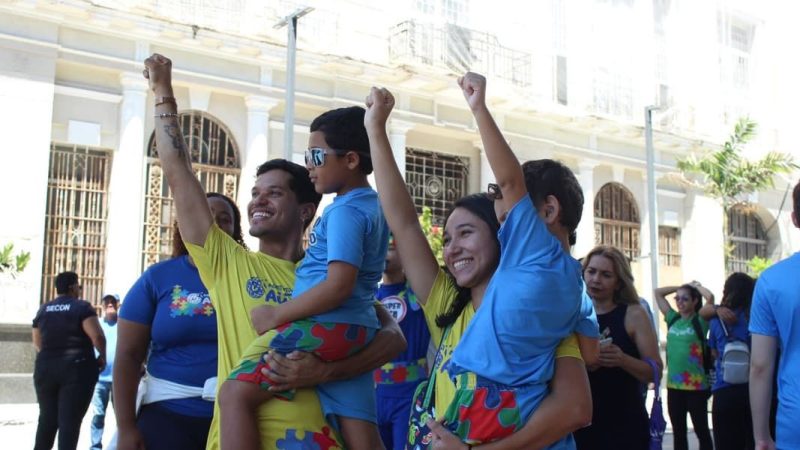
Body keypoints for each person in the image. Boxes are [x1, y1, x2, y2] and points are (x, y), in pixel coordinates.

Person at [142, 53, 405, 450]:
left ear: (306, 209)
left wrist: (322, 372)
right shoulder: (227, 262)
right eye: (254, 193)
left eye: (274, 192)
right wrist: (163, 92)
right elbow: (178, 174)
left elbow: (392, 339)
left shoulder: (327, 274)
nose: (257, 202)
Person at [361, 79, 597, 449]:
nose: (452, 249)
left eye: (467, 233)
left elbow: (575, 409)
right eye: (447, 239)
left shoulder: (539, 317)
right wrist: (376, 128)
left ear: (504, 235)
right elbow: (404, 222)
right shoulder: (446, 307)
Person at [219, 104, 389, 450]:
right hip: (357, 330)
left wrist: (275, 315)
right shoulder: (374, 205)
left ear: (351, 160)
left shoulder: (344, 210)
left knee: (234, 393)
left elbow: (338, 284)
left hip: (325, 326)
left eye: (316, 155)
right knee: (363, 439)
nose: (309, 165)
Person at [114, 193, 247, 450]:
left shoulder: (251, 279)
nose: (215, 226)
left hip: (237, 419)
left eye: (224, 220)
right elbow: (128, 356)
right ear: (185, 223)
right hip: (167, 418)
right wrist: (126, 428)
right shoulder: (157, 278)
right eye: (207, 217)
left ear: (234, 231)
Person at [573, 245, 663, 450]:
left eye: (606, 275)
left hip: (625, 423)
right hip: (581, 421)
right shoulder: (573, 312)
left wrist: (622, 360)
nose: (596, 279)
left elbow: (655, 371)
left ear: (619, 282)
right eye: (591, 271)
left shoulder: (633, 314)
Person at [749, 179, 800, 450]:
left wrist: (761, 436)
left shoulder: (772, 281)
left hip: (796, 418)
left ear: (794, 219)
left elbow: (760, 366)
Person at [32, 271, 106, 450]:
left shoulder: (43, 310)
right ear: (73, 287)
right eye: (78, 286)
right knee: (69, 423)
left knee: (47, 420)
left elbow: (37, 342)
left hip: (46, 368)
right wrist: (102, 356)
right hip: (76, 369)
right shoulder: (82, 308)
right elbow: (97, 336)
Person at [374, 234, 431, 450]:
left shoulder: (418, 295)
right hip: (375, 395)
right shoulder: (370, 296)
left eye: (392, 246)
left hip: (411, 396)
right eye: (382, 246)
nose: (385, 251)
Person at [654, 281, 715, 450]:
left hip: (696, 388)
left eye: (685, 299)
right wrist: (681, 286)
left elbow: (710, 298)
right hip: (674, 387)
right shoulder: (673, 319)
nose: (680, 302)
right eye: (677, 299)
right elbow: (658, 292)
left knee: (701, 430)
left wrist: (696, 287)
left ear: (695, 301)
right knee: (678, 432)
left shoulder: (700, 320)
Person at [699, 272, 755, 450]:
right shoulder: (754, 319)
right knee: (751, 442)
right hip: (751, 390)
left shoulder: (716, 321)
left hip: (724, 391)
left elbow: (714, 352)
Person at [91, 294, 120, 450]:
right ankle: (95, 447)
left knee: (121, 416)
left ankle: (120, 445)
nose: (110, 304)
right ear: (102, 305)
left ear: (117, 304)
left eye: (113, 302)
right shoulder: (98, 325)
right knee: (98, 415)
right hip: (100, 379)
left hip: (119, 379)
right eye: (107, 302)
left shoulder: (123, 325)